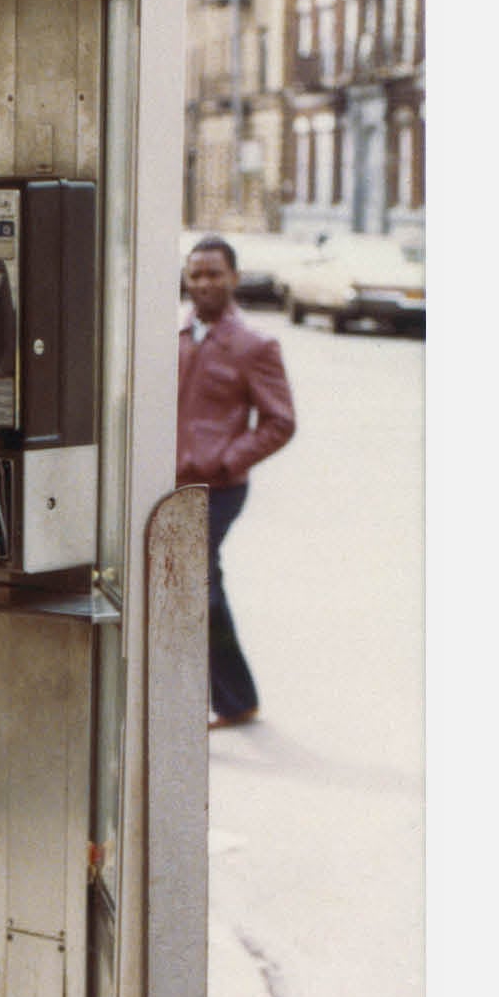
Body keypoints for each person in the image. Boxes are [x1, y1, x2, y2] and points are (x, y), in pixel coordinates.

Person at [177, 234, 297, 727]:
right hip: (172, 484)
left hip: (221, 487)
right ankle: (237, 698)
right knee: (203, 584)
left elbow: (280, 421)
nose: (204, 283)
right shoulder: (174, 339)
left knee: (197, 584)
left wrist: (228, 460)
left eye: (214, 273)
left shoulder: (254, 346)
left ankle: (230, 699)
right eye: (196, 273)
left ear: (234, 279)